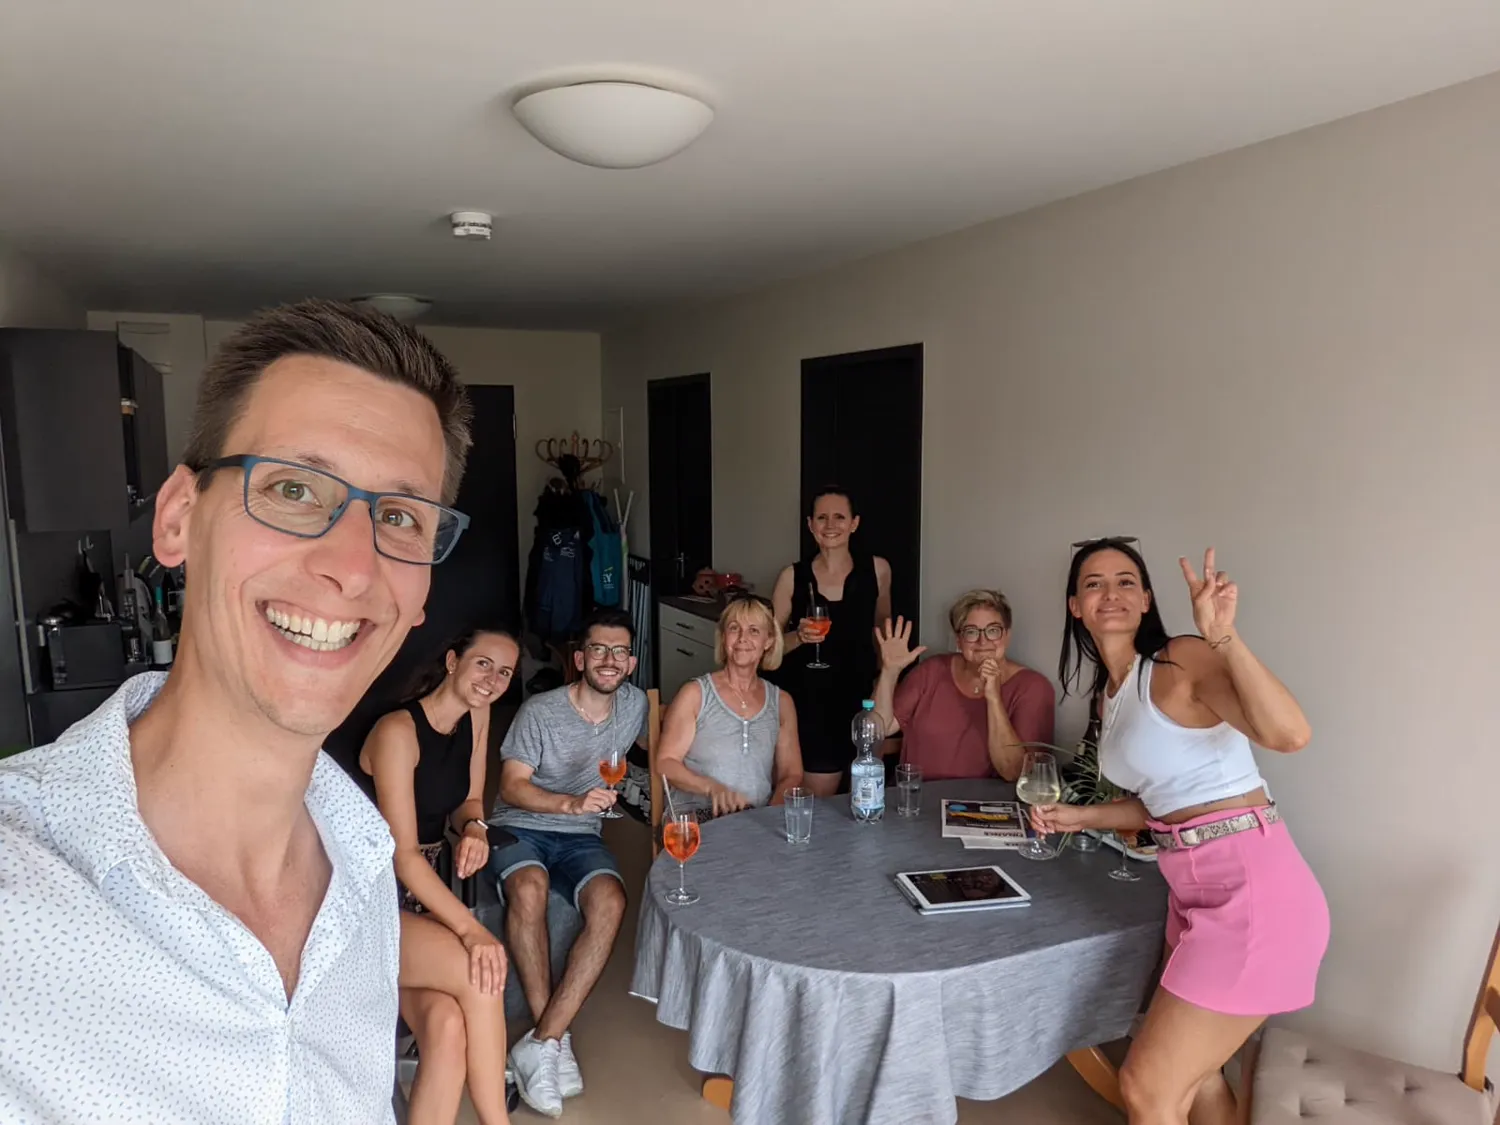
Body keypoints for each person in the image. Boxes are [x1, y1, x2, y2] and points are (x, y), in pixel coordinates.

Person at [0, 299, 473, 1124]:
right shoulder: (19, 897)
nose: (353, 568)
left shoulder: (363, 868)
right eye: (294, 488)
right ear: (179, 519)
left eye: (399, 517)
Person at [1030, 540, 1326, 1125]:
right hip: (1191, 891)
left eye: (1125, 581)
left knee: (1146, 1089)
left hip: (1253, 892)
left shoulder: (1180, 660)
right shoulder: (1112, 696)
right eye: (1093, 583)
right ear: (1075, 606)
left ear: (1146, 599)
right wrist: (1081, 817)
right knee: (1198, 1078)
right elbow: (1163, 804)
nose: (1110, 593)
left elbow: (1289, 735)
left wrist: (1224, 637)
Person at [360, 627, 521, 1125]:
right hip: (366, 905)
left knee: (447, 1027)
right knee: (481, 972)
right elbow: (403, 856)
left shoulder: (476, 715)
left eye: (504, 672)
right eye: (483, 663)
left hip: (419, 899)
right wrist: (472, 930)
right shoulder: (397, 733)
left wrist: (474, 827)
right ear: (453, 661)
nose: (492, 680)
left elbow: (469, 801)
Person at [487, 608, 643, 1118]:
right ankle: (552, 1039)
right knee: (529, 887)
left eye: (619, 651)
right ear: (580, 658)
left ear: (631, 663)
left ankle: (543, 1042)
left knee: (611, 901)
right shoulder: (540, 711)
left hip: (580, 835)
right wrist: (570, 804)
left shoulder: (635, 705)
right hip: (521, 824)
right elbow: (512, 786)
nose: (609, 660)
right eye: (598, 649)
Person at [769, 486, 891, 796]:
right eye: (822, 517)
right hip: (811, 703)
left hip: (862, 696)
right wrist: (799, 637)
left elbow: (883, 634)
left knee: (864, 793)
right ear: (810, 525)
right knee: (820, 798)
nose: (830, 525)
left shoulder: (878, 570)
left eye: (839, 517)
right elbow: (768, 649)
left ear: (854, 523)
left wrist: (884, 684)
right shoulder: (791, 577)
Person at [871, 589, 1055, 781]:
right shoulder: (932, 670)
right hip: (916, 795)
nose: (983, 641)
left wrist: (993, 698)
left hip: (984, 800)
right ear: (959, 640)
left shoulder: (1033, 688)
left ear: (1007, 636)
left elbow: (1015, 772)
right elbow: (879, 728)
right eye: (971, 632)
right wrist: (889, 672)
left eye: (993, 630)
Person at [657, 595, 804, 822]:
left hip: (755, 817)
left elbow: (791, 773)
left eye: (754, 630)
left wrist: (769, 816)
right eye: (734, 628)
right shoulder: (695, 694)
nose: (743, 638)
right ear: (724, 637)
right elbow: (665, 763)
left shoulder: (781, 702)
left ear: (768, 641)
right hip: (696, 819)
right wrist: (710, 788)